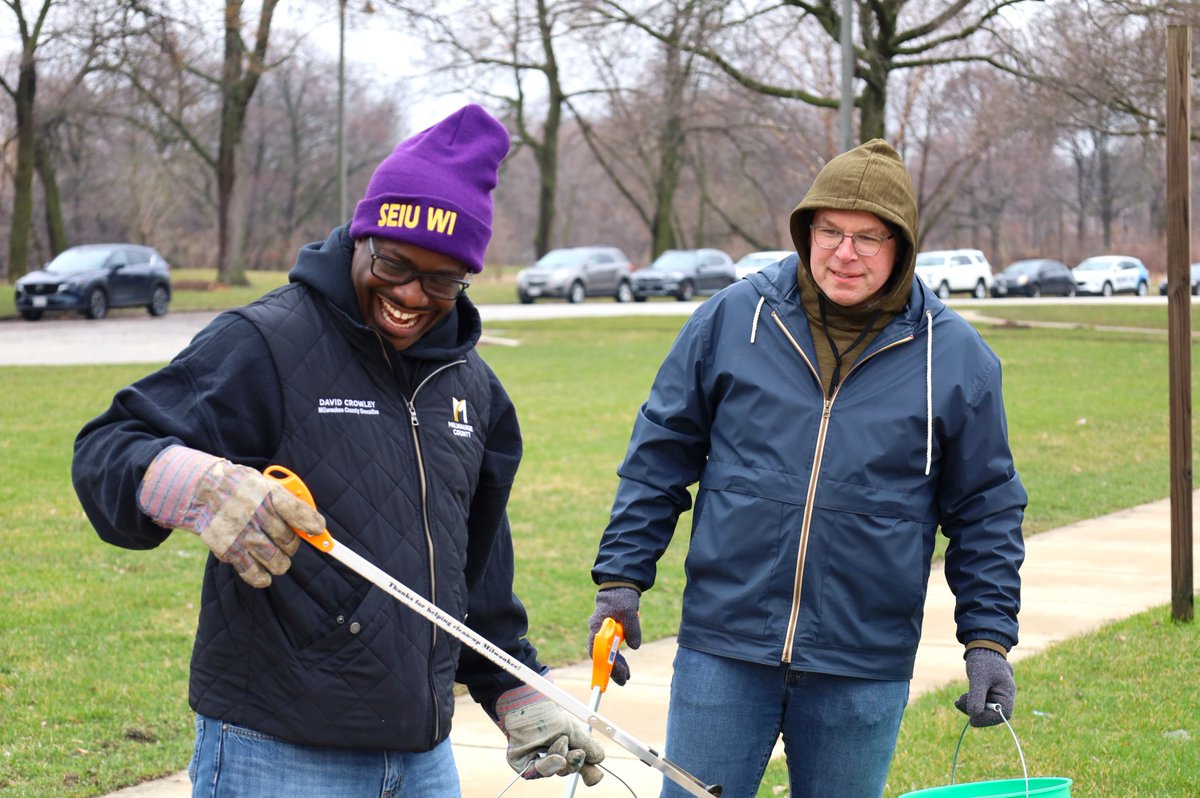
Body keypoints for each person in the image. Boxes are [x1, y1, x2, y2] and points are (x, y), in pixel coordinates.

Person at [72, 104, 604, 796]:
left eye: (442, 281)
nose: (410, 295)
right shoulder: (267, 343)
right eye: (395, 263)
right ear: (363, 235)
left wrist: (515, 692)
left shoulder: (475, 390)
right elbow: (108, 448)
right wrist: (197, 484)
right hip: (280, 750)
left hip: (423, 758)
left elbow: (475, 576)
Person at [587, 139, 1026, 797]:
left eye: (868, 238)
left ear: (901, 246)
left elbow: (988, 510)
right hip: (725, 647)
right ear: (805, 231)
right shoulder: (736, 319)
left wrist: (987, 640)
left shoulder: (957, 359)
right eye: (829, 231)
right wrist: (622, 578)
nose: (844, 253)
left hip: (863, 663)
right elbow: (660, 454)